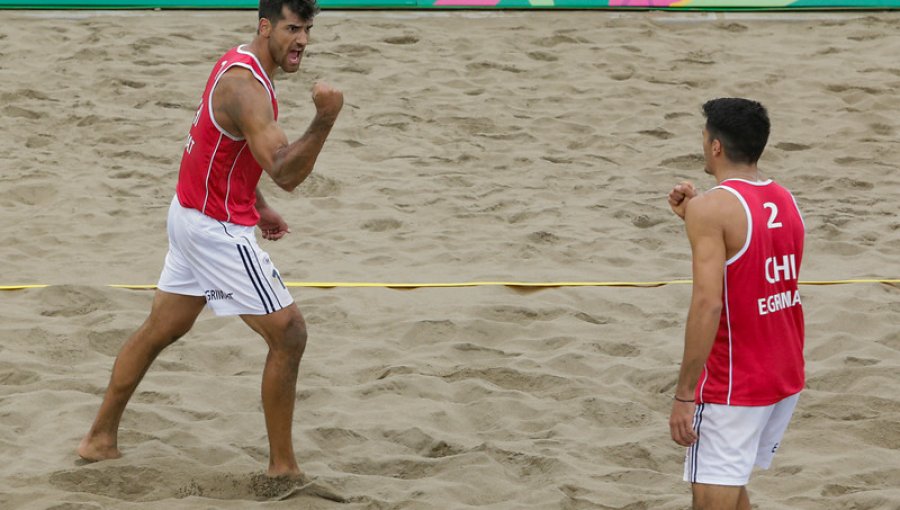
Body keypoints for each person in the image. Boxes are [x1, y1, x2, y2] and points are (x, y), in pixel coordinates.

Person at [78, 0, 343, 478]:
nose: (302, 40)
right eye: (291, 29)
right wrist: (326, 118)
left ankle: (99, 438)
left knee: (161, 329)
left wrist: (258, 208)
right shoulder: (246, 88)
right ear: (265, 27)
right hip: (213, 231)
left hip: (188, 215)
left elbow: (218, 149)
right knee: (290, 334)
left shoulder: (238, 61)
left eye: (307, 29)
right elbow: (285, 171)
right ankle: (284, 469)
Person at [666, 98, 805, 510]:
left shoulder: (713, 209)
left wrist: (684, 394)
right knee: (728, 484)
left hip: (735, 381)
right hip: (783, 372)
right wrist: (694, 217)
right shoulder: (785, 199)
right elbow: (752, 264)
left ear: (715, 147)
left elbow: (708, 306)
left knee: (711, 498)